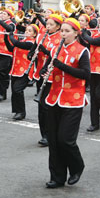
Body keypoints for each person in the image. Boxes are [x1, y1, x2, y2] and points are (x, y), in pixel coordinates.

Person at [42, 18, 90, 188]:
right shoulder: (55, 48)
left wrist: (61, 66)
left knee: (65, 140)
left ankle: (77, 166)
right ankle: (57, 176)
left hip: (73, 99)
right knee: (54, 141)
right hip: (54, 97)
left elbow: (85, 74)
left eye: (67, 31)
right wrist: (44, 71)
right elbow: (48, 66)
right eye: (61, 30)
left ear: (76, 33)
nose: (63, 34)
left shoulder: (82, 51)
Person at [33, 13, 62, 146]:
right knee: (41, 106)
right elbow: (35, 49)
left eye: (51, 25)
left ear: (58, 27)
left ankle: (50, 134)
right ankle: (44, 133)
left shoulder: (60, 39)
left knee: (48, 106)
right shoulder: (42, 36)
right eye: (47, 24)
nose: (47, 26)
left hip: (53, 77)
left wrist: (45, 51)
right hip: (41, 73)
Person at [4, 24, 37, 120]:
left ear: (34, 34)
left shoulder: (32, 43)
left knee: (17, 89)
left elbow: (16, 43)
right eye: (26, 30)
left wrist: (11, 36)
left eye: (30, 31)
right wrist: (6, 38)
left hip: (26, 71)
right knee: (15, 91)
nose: (27, 32)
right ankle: (17, 111)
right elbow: (11, 48)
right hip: (15, 70)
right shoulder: (22, 41)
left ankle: (21, 112)